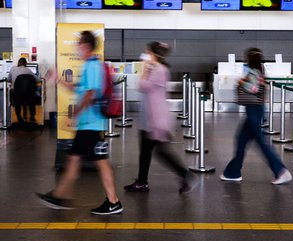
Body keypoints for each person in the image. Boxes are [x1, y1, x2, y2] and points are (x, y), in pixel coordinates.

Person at [36, 31, 123, 215]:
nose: (77, 48)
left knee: (100, 162)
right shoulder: (88, 66)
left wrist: (75, 114)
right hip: (86, 124)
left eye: (78, 44)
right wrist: (59, 79)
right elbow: (80, 89)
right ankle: (59, 196)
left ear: (85, 46)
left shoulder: (92, 66)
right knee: (74, 160)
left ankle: (113, 202)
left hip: (91, 124)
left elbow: (91, 93)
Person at [124, 41, 198, 193]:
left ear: (152, 53)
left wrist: (145, 69)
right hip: (150, 117)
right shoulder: (156, 68)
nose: (144, 53)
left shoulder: (159, 69)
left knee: (159, 151)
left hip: (155, 119)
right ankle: (142, 181)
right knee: (149, 151)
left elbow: (143, 86)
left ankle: (185, 175)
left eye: (147, 51)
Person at [220, 48, 293, 185]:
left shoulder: (253, 72)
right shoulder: (259, 71)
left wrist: (241, 82)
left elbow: (253, 89)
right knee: (241, 140)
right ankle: (232, 172)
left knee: (260, 142)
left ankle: (281, 171)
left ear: (250, 60)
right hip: (254, 110)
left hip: (253, 111)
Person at [8, 57, 41, 123]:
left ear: (18, 63)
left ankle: (18, 116)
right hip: (28, 95)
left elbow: (9, 79)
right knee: (32, 96)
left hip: (17, 94)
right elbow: (38, 80)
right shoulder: (28, 70)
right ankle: (32, 116)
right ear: (25, 64)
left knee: (17, 98)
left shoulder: (12, 69)